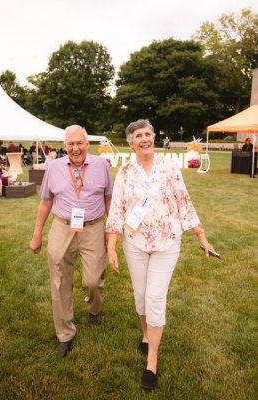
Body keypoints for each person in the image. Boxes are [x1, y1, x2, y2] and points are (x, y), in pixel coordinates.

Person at [106, 119, 216, 391]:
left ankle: (151, 362)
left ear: (153, 138)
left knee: (155, 298)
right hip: (135, 243)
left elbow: (184, 201)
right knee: (141, 296)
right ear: (131, 143)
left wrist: (201, 236)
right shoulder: (125, 172)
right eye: (138, 136)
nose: (144, 139)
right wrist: (111, 246)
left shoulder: (169, 167)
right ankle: (145, 334)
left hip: (167, 242)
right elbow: (117, 209)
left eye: (148, 134)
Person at [29, 125, 113, 357]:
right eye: (70, 144)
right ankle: (65, 333)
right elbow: (45, 202)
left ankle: (94, 308)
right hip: (62, 226)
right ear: (64, 146)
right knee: (59, 282)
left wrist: (111, 230)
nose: (75, 149)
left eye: (79, 143)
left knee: (93, 280)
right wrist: (37, 234)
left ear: (87, 144)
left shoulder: (102, 166)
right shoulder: (54, 167)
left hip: (94, 227)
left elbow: (108, 199)